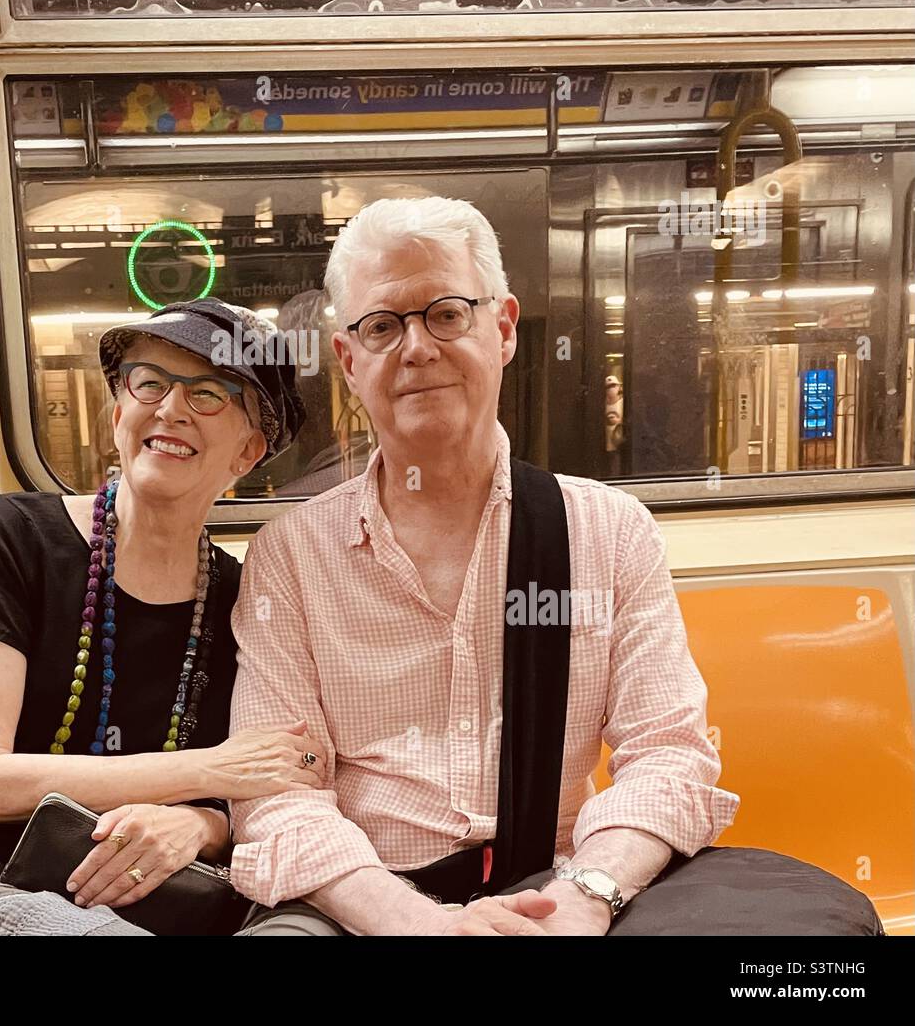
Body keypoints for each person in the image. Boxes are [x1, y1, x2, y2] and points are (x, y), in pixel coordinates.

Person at [228, 195, 743, 936]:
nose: (415, 348)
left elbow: (667, 755)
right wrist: (409, 920)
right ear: (348, 361)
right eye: (381, 325)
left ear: (502, 327)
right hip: (358, 902)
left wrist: (588, 893)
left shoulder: (608, 532)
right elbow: (277, 793)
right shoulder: (290, 556)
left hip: (557, 885)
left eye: (445, 312)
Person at [0, 296, 315, 935]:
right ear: (120, 411)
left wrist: (201, 823)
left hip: (133, 894)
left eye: (209, 394)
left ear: (248, 451)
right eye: (150, 383)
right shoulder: (13, 533)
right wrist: (204, 771)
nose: (171, 408)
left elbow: (274, 777)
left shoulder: (245, 597)